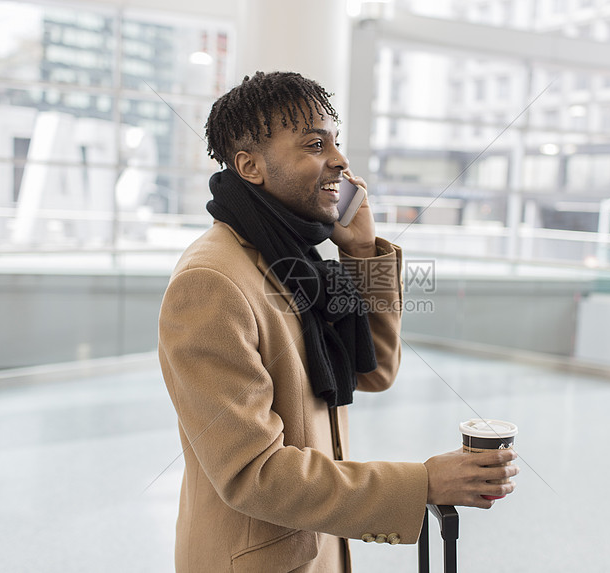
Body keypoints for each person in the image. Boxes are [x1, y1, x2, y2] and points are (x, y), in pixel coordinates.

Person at [158, 71, 518, 573]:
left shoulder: (299, 259)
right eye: (313, 143)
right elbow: (251, 473)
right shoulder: (212, 282)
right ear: (250, 166)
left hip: (313, 544)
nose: (340, 160)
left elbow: (375, 371)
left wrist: (364, 254)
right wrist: (423, 484)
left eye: (336, 141)